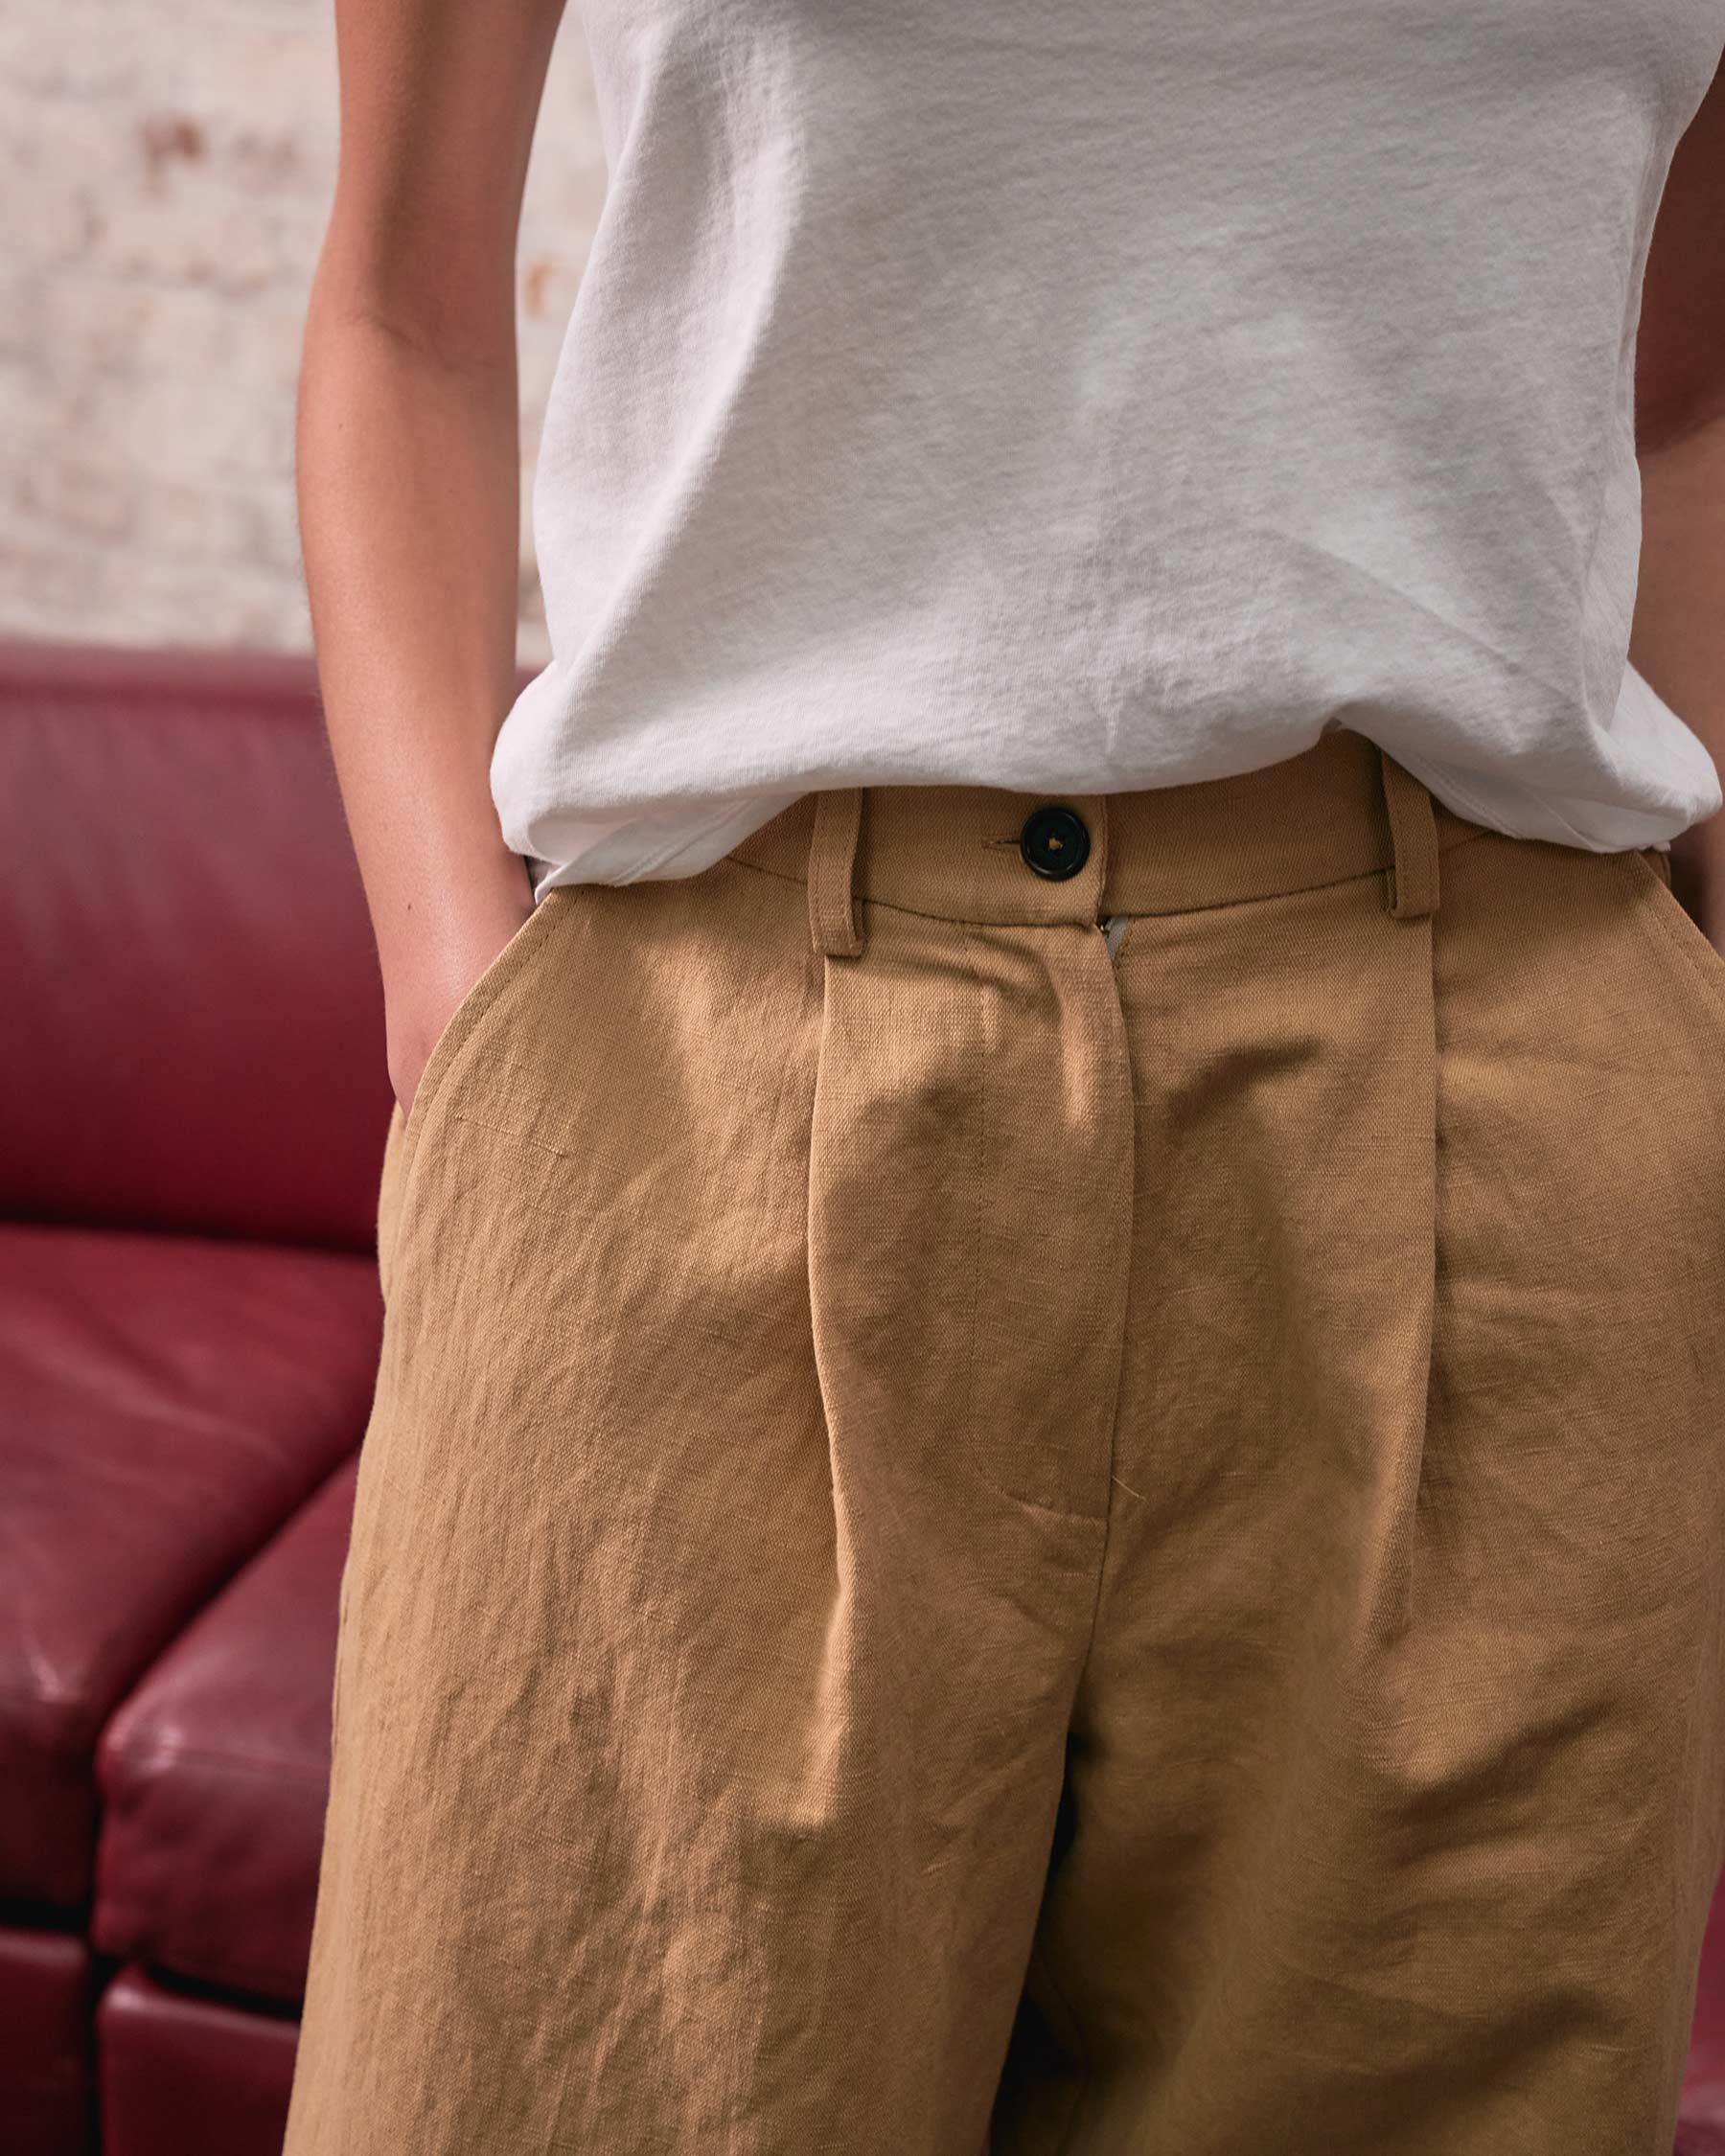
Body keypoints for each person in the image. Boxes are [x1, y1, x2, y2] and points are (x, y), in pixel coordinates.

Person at [282, 1, 1725, 2149]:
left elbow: (1684, 397)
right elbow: (405, 305)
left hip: (1504, 1117)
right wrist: (451, 996)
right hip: (714, 1072)